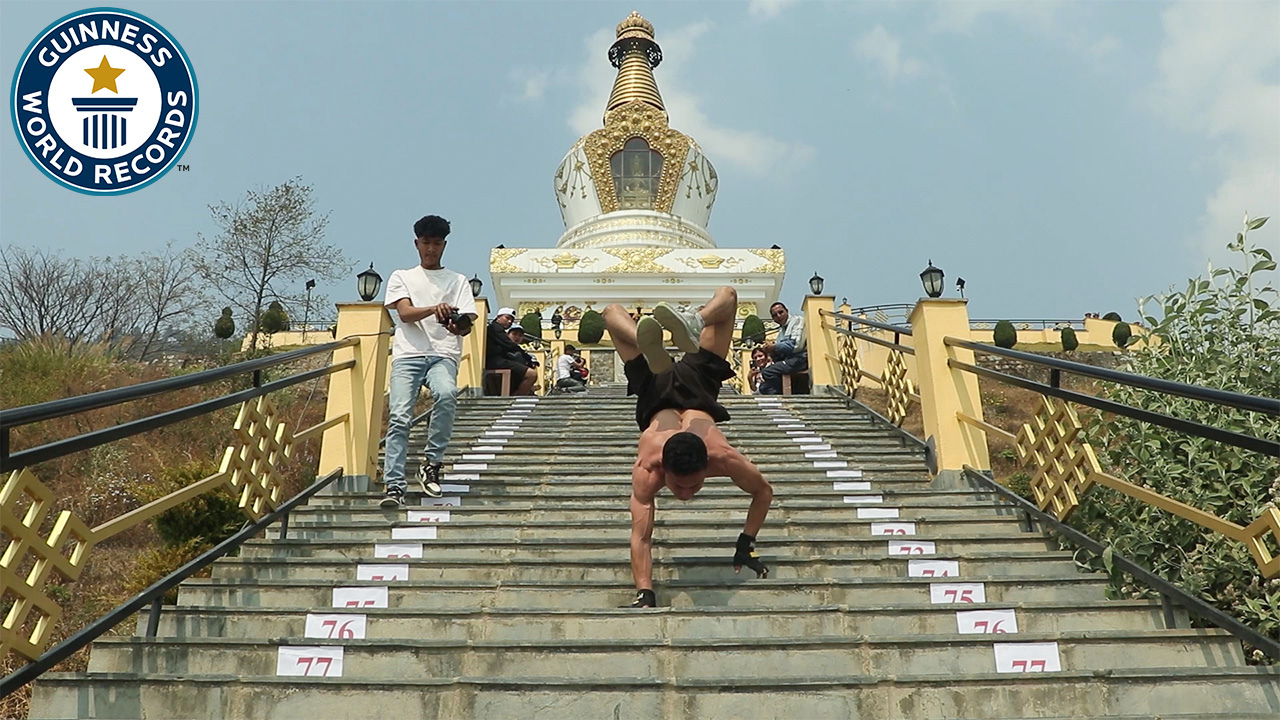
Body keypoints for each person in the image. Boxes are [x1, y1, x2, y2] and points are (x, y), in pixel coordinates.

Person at [603, 287, 774, 608]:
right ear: (663, 469)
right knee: (728, 297)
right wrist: (645, 592)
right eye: (681, 486)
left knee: (613, 313)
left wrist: (745, 544)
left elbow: (764, 491)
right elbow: (640, 537)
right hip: (694, 387)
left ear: (707, 465)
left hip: (656, 384)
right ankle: (687, 324)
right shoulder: (649, 467)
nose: (685, 494)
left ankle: (683, 325)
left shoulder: (721, 456)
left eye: (693, 484)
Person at [380, 215, 477, 509]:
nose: (431, 249)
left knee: (447, 395)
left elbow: (467, 325)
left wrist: (455, 325)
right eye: (426, 243)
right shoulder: (402, 277)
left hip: (443, 353)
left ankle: (432, 463)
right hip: (408, 354)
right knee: (399, 417)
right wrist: (434, 309)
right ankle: (394, 485)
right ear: (416, 244)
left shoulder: (458, 281)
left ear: (444, 245)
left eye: (436, 243)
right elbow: (405, 314)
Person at [485, 306, 538, 395]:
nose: (509, 321)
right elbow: (510, 345)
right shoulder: (495, 328)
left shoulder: (498, 329)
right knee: (532, 374)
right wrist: (526, 356)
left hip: (500, 361)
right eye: (507, 318)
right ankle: (517, 398)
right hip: (496, 361)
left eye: (511, 320)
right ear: (498, 317)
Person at [758, 301, 807, 395]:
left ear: (787, 311)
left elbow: (795, 346)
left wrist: (775, 346)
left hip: (800, 358)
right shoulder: (781, 331)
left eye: (781, 312)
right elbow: (781, 353)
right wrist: (771, 351)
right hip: (789, 360)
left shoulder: (797, 321)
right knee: (763, 388)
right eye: (775, 315)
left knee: (767, 372)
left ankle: (782, 394)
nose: (779, 316)